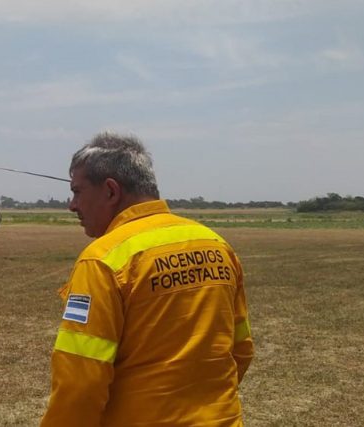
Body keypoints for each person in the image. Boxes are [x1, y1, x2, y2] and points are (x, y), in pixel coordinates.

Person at [41, 132, 255, 426]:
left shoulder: (103, 259)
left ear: (111, 191)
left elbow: (81, 382)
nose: (72, 205)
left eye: (77, 192)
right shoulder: (217, 245)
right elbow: (240, 349)